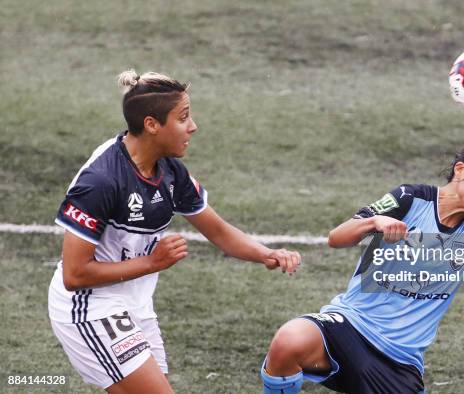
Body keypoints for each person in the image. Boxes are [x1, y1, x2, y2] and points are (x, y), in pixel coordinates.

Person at [48, 70, 301, 393]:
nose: (193, 126)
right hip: (90, 308)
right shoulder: (101, 181)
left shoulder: (169, 170)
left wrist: (267, 253)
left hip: (133, 304)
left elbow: (219, 231)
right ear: (152, 124)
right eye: (183, 118)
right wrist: (153, 263)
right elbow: (75, 274)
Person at [260, 142, 464, 394]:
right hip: (351, 326)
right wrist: (374, 221)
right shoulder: (409, 198)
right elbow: (336, 238)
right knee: (290, 340)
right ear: (461, 171)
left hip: (398, 362)